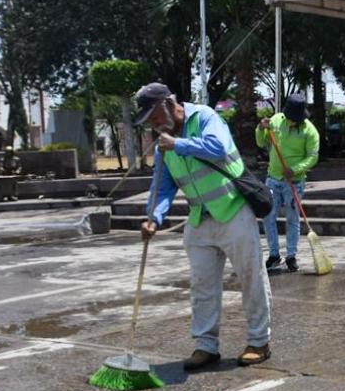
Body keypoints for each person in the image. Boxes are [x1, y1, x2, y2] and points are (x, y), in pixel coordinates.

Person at [135, 82, 272, 369]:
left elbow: (217, 147)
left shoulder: (205, 117)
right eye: (149, 121)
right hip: (200, 219)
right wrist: (153, 218)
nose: (154, 125)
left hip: (233, 211)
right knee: (202, 285)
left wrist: (179, 144)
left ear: (169, 104)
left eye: (155, 117)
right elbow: (162, 188)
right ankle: (206, 345)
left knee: (251, 277)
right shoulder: (163, 146)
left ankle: (259, 341)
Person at [256, 94, 320, 272]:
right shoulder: (276, 121)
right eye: (290, 119)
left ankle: (291, 256)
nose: (292, 122)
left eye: (295, 120)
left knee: (292, 218)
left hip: (295, 181)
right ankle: (274, 255)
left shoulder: (310, 131)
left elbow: (313, 157)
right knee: (268, 216)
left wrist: (295, 169)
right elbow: (261, 142)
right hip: (273, 179)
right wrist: (261, 128)